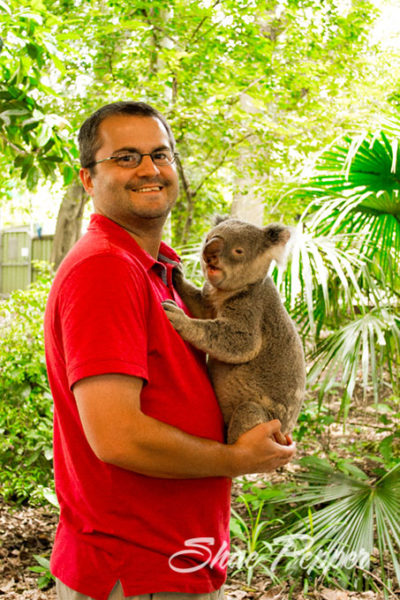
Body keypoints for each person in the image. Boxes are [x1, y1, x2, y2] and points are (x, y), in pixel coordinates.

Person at [44, 101, 296, 600]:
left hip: (178, 557)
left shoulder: (157, 268)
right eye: (126, 157)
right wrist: (236, 458)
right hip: (134, 565)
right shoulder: (106, 269)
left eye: (160, 154)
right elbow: (117, 437)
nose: (149, 169)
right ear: (88, 179)